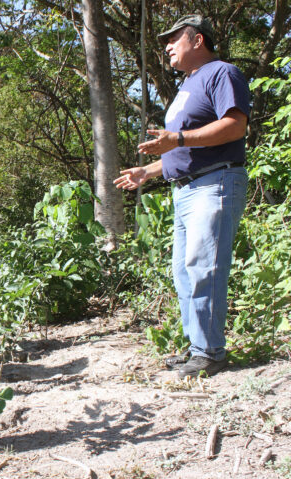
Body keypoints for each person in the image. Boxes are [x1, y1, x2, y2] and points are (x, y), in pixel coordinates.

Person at [114, 15, 250, 379]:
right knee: (184, 270)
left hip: (215, 182)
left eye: (174, 40)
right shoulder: (188, 85)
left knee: (204, 267)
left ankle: (210, 353)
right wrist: (149, 171)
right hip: (187, 188)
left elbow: (235, 125)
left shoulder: (222, 73)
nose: (168, 47)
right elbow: (184, 149)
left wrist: (177, 140)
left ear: (198, 40)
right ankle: (198, 347)